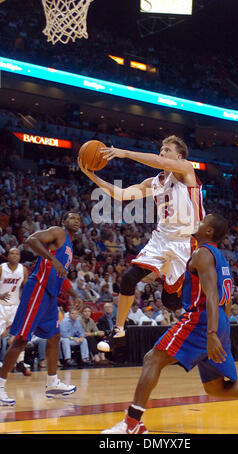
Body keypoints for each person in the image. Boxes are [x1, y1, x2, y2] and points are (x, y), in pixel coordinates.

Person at [102, 214, 238, 434]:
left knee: (153, 359)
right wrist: (220, 328)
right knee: (215, 386)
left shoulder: (202, 253)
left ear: (209, 231)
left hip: (202, 319)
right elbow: (226, 299)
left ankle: (132, 424)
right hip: (219, 319)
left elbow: (211, 295)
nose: (197, 223)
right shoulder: (219, 257)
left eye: (202, 222)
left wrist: (211, 332)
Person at [78, 135, 205, 349]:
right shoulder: (153, 182)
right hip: (162, 238)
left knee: (170, 302)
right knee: (128, 279)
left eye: (167, 150)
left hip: (186, 242)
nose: (162, 153)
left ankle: (164, 281)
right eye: (161, 149)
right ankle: (118, 332)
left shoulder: (185, 171)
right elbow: (120, 194)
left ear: (179, 156)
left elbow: (162, 163)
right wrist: (91, 175)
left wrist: (124, 152)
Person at [0, 211, 82, 406]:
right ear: (63, 221)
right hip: (38, 287)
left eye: (79, 219)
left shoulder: (70, 246)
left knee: (54, 336)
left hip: (50, 295)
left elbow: (60, 276)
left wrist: (76, 295)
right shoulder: (58, 233)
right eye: (72, 218)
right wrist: (52, 259)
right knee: (21, 339)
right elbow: (31, 240)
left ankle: (52, 382)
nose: (76, 221)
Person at [0, 247, 30, 375]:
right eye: (12, 253)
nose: (15, 255)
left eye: (17, 253)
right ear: (8, 255)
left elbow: (26, 288)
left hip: (15, 306)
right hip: (0, 305)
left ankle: (20, 362)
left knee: (19, 336)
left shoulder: (23, 270)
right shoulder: (2, 268)